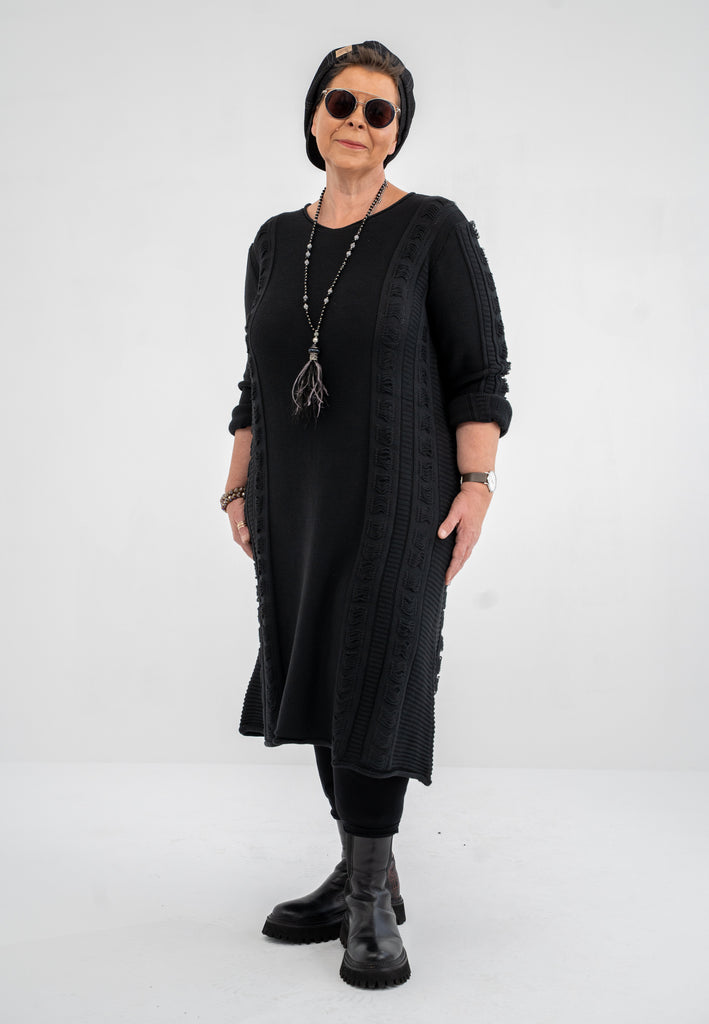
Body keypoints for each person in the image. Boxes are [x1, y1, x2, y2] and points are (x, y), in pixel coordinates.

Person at [222, 40, 511, 989]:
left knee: (379, 670)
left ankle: (368, 906)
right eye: (340, 102)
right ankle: (362, 872)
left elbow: (478, 372)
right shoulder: (275, 241)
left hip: (400, 498)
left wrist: (476, 487)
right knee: (318, 670)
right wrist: (238, 483)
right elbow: (256, 379)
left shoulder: (433, 229)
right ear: (313, 118)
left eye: (377, 110)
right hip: (293, 500)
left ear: (396, 132)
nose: (356, 120)